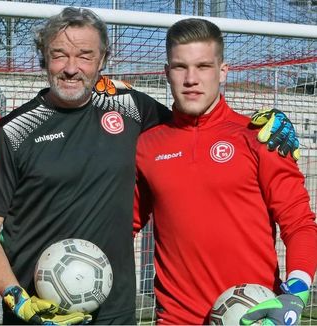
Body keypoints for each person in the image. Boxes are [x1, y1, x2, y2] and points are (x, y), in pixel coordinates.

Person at [0, 7, 300, 325]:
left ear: (103, 59)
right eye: (59, 55)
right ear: (43, 57)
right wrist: (16, 298)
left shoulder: (133, 109)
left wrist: (266, 123)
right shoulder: (12, 131)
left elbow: (192, 128)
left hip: (116, 313)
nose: (71, 68)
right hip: (40, 312)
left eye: (85, 55)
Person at [133, 18, 317, 325]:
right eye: (180, 67)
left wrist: (296, 291)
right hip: (175, 320)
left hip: (253, 318)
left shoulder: (259, 137)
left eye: (203, 66)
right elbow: (124, 225)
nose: (191, 78)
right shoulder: (148, 145)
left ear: (223, 71)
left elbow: (299, 223)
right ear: (166, 74)